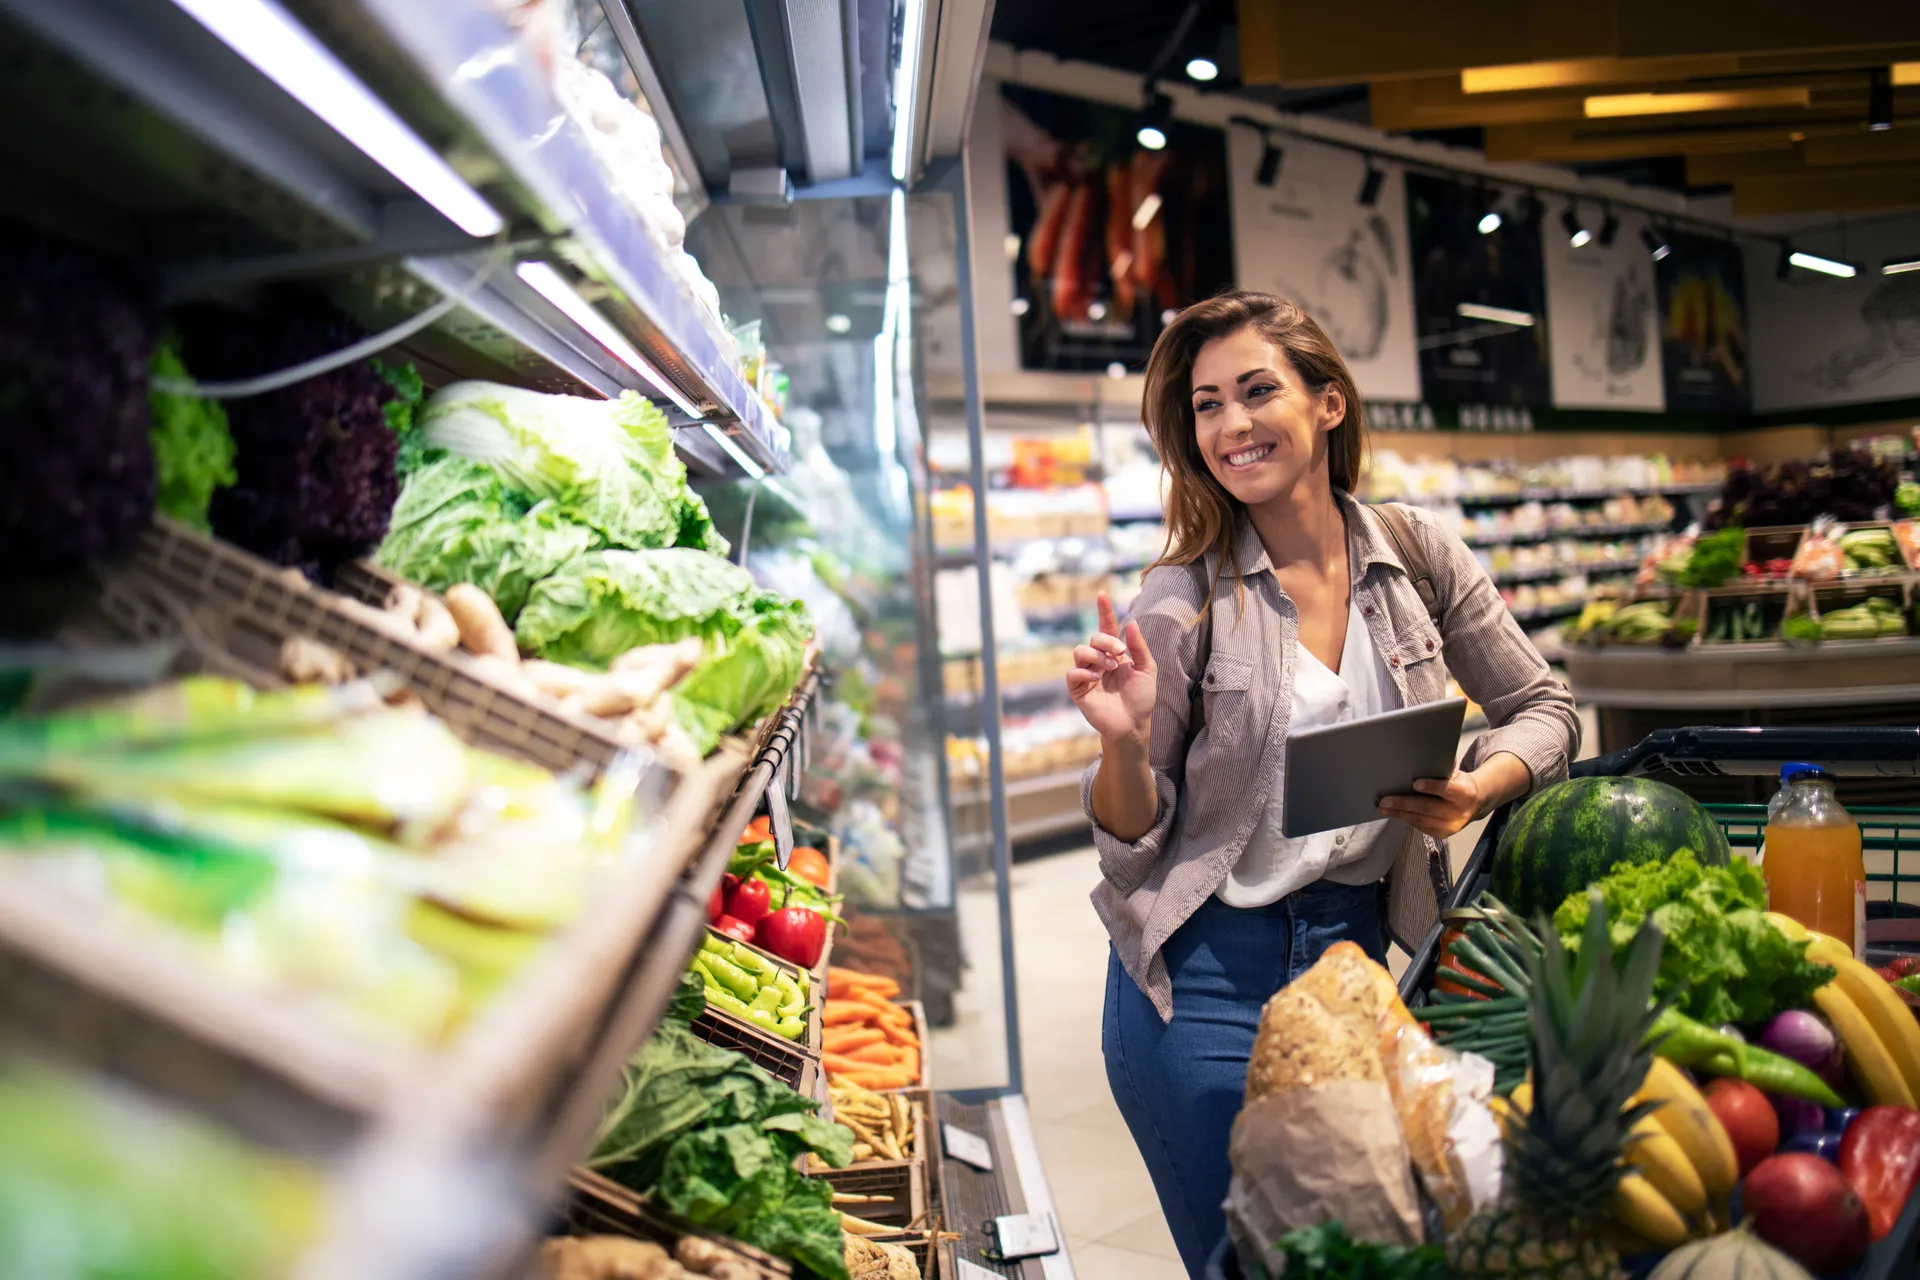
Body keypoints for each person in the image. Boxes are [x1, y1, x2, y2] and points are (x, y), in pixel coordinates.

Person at [1067, 290, 1579, 1277]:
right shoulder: (1183, 597)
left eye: (1258, 390)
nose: (1231, 424)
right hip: (1202, 976)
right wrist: (1122, 745)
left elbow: (1547, 709)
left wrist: (1479, 785)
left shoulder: (1417, 556)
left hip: (1354, 955)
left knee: (1367, 1247)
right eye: (1207, 404)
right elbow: (1133, 841)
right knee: (1257, 1261)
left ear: (1329, 403)